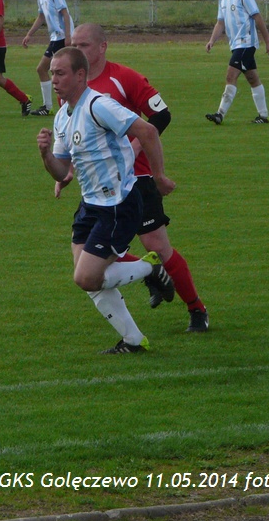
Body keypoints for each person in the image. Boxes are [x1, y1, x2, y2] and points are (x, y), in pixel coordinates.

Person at [69, 24, 209, 332]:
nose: (77, 51)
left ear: (103, 47)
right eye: (73, 45)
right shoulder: (72, 85)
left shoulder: (124, 77)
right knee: (90, 252)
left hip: (137, 176)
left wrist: (133, 149)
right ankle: (150, 272)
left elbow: (161, 115)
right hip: (99, 184)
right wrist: (68, 171)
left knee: (156, 243)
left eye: (84, 45)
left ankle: (197, 309)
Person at [37, 46, 176, 355]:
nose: (53, 79)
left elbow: (148, 131)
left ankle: (150, 268)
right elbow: (61, 171)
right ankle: (133, 341)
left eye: (60, 73)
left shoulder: (99, 105)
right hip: (90, 206)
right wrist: (46, 155)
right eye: (52, 73)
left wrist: (158, 176)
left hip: (118, 206)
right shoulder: (62, 116)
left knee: (86, 278)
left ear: (80, 75)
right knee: (88, 278)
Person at [204, 0, 269, 125]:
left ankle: (220, 114)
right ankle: (263, 116)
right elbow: (220, 23)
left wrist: (268, 42)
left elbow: (258, 18)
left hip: (246, 43)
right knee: (252, 78)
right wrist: (212, 41)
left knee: (231, 76)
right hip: (235, 45)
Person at [21, 0, 73, 116]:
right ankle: (51, 106)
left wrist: (68, 36)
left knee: (49, 69)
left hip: (61, 37)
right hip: (55, 37)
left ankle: (56, 106)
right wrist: (29, 34)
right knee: (49, 69)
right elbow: (41, 17)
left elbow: (65, 14)